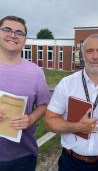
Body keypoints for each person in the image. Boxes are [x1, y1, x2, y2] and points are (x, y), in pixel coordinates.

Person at [45, 33, 98, 171]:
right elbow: (50, 120)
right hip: (71, 163)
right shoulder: (67, 84)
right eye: (90, 51)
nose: (95, 56)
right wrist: (77, 127)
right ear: (82, 55)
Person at [0, 16, 50, 171]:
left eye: (19, 32)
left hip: (23, 157)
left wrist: (31, 118)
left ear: (25, 39)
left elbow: (44, 104)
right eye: (7, 30)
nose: (13, 35)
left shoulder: (36, 72)